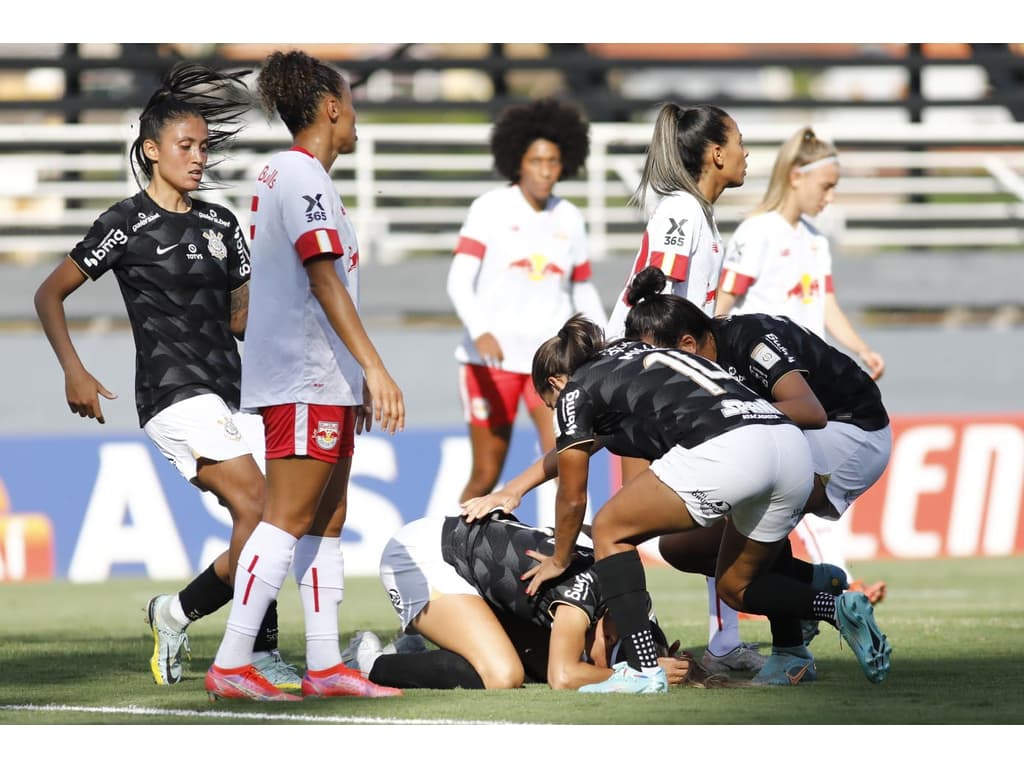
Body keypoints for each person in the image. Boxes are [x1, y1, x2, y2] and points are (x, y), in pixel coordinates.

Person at [33, 62, 298, 690]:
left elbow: (241, 322)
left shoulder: (222, 225)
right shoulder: (125, 223)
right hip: (172, 393)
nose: (199, 157)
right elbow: (49, 294)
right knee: (259, 508)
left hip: (234, 391)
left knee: (269, 522)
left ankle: (177, 614)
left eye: (205, 146)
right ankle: (251, 653)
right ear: (152, 150)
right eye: (187, 146)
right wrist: (75, 369)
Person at [465, 314, 892, 692]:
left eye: (550, 404)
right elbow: (581, 447)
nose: (558, 414)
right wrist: (515, 489)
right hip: (787, 443)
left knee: (611, 527)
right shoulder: (631, 356)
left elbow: (573, 495)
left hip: (729, 449)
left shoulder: (575, 391)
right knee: (734, 584)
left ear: (556, 384)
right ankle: (832, 605)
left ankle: (644, 671)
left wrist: (560, 557)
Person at [205, 49, 405, 702]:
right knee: (287, 518)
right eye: (350, 104)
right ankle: (233, 661)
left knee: (325, 519)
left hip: (321, 378)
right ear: (329, 108)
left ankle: (324, 666)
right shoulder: (302, 177)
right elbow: (322, 279)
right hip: (303, 377)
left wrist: (355, 376)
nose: (355, 118)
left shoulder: (289, 175)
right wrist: (374, 368)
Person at [625, 265, 892, 648]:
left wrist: (727, 421)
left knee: (757, 484)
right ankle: (812, 584)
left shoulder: (752, 342)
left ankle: (791, 649)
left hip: (852, 432)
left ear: (687, 346)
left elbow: (809, 410)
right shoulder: (701, 361)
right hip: (801, 436)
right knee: (681, 548)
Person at [604, 103, 760, 677]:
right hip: (640, 384)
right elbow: (652, 301)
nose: (748, 154)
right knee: (623, 523)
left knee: (721, 504)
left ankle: (720, 641)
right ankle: (625, 647)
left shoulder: (699, 214)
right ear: (716, 153)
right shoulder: (680, 212)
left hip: (661, 382)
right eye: (741, 142)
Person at [715, 126, 886, 603]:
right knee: (777, 498)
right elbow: (723, 307)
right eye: (826, 186)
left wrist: (859, 347)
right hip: (770, 384)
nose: (830, 197)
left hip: (810, 384)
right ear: (796, 175)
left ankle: (825, 590)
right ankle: (838, 586)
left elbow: (826, 304)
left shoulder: (815, 240)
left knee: (809, 491)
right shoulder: (758, 232)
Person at [340, 512, 719, 691]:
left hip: (466, 561)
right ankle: (370, 662)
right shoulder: (591, 589)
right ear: (613, 623)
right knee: (504, 676)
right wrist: (633, 677)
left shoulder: (634, 607)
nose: (599, 656)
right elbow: (565, 677)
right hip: (424, 555)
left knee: (531, 665)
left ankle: (413, 650)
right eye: (608, 649)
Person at [446, 97, 607, 506]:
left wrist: (605, 338)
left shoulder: (570, 217)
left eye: (553, 161)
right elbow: (458, 280)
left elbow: (582, 289)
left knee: (566, 460)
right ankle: (448, 549)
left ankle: (565, 553)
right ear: (518, 160)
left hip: (549, 361)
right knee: (486, 472)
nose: (546, 170)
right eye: (537, 160)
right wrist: (481, 331)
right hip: (491, 362)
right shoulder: (489, 208)